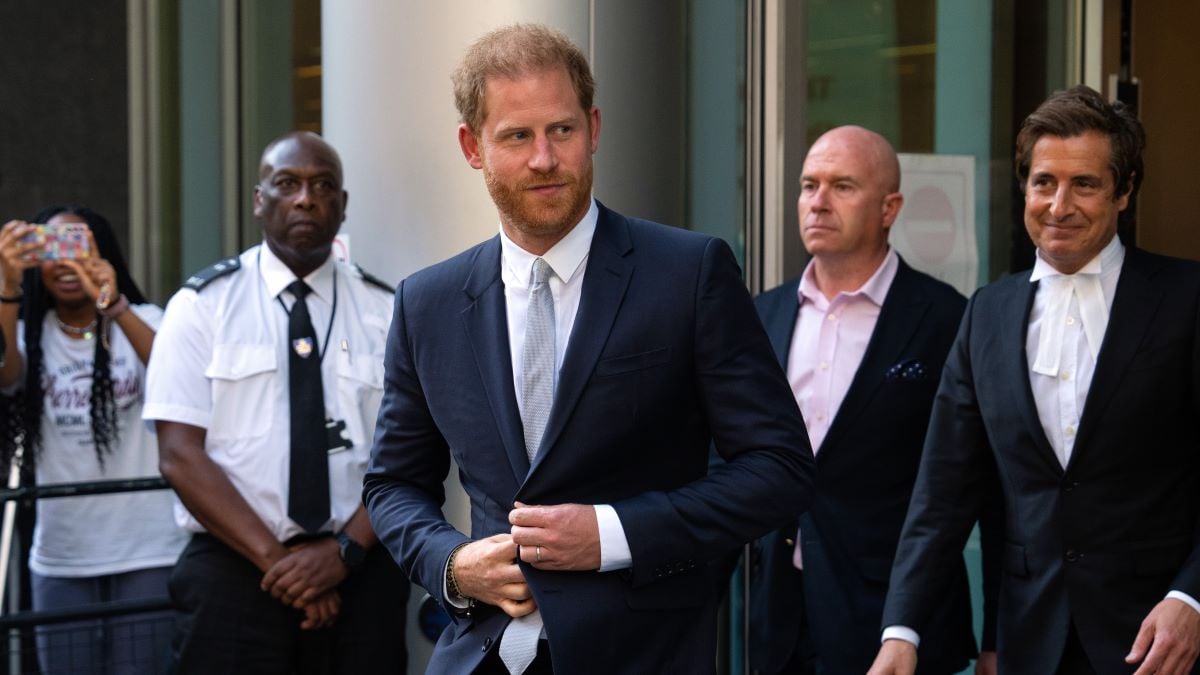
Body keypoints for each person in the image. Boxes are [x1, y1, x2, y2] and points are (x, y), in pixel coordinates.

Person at [363, 23, 814, 675]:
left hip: (644, 653)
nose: (545, 158)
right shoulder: (427, 303)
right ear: (472, 146)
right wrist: (452, 564)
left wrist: (613, 534)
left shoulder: (689, 273)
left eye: (563, 130)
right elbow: (394, 482)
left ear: (594, 128)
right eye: (518, 136)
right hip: (482, 654)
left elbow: (779, 467)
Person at [869, 85, 1200, 675]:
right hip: (1031, 639)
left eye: (1086, 184)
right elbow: (942, 492)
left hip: (1163, 641)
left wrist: (1191, 597)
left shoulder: (1187, 299)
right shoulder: (985, 313)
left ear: (1124, 192)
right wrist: (902, 629)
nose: (1058, 204)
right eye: (1044, 182)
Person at [142, 131, 409, 673]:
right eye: (287, 184)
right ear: (259, 200)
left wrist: (342, 554)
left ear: (343, 205)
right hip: (235, 568)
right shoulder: (201, 306)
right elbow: (178, 454)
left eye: (322, 186)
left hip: (359, 566)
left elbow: (409, 454)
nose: (305, 198)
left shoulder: (389, 311)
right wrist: (283, 566)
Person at [747, 126, 987, 675]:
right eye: (809, 186)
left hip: (897, 622)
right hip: (782, 616)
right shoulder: (763, 315)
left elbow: (974, 485)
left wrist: (994, 627)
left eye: (843, 186)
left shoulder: (946, 318)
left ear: (890, 207)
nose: (818, 202)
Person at [0, 205, 186, 673]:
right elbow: (5, 375)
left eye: (78, 247)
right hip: (62, 552)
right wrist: (6, 288)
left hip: (147, 545)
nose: (65, 263)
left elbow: (176, 376)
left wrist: (114, 305)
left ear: (105, 254)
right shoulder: (28, 332)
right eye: (51, 249)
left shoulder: (143, 318)